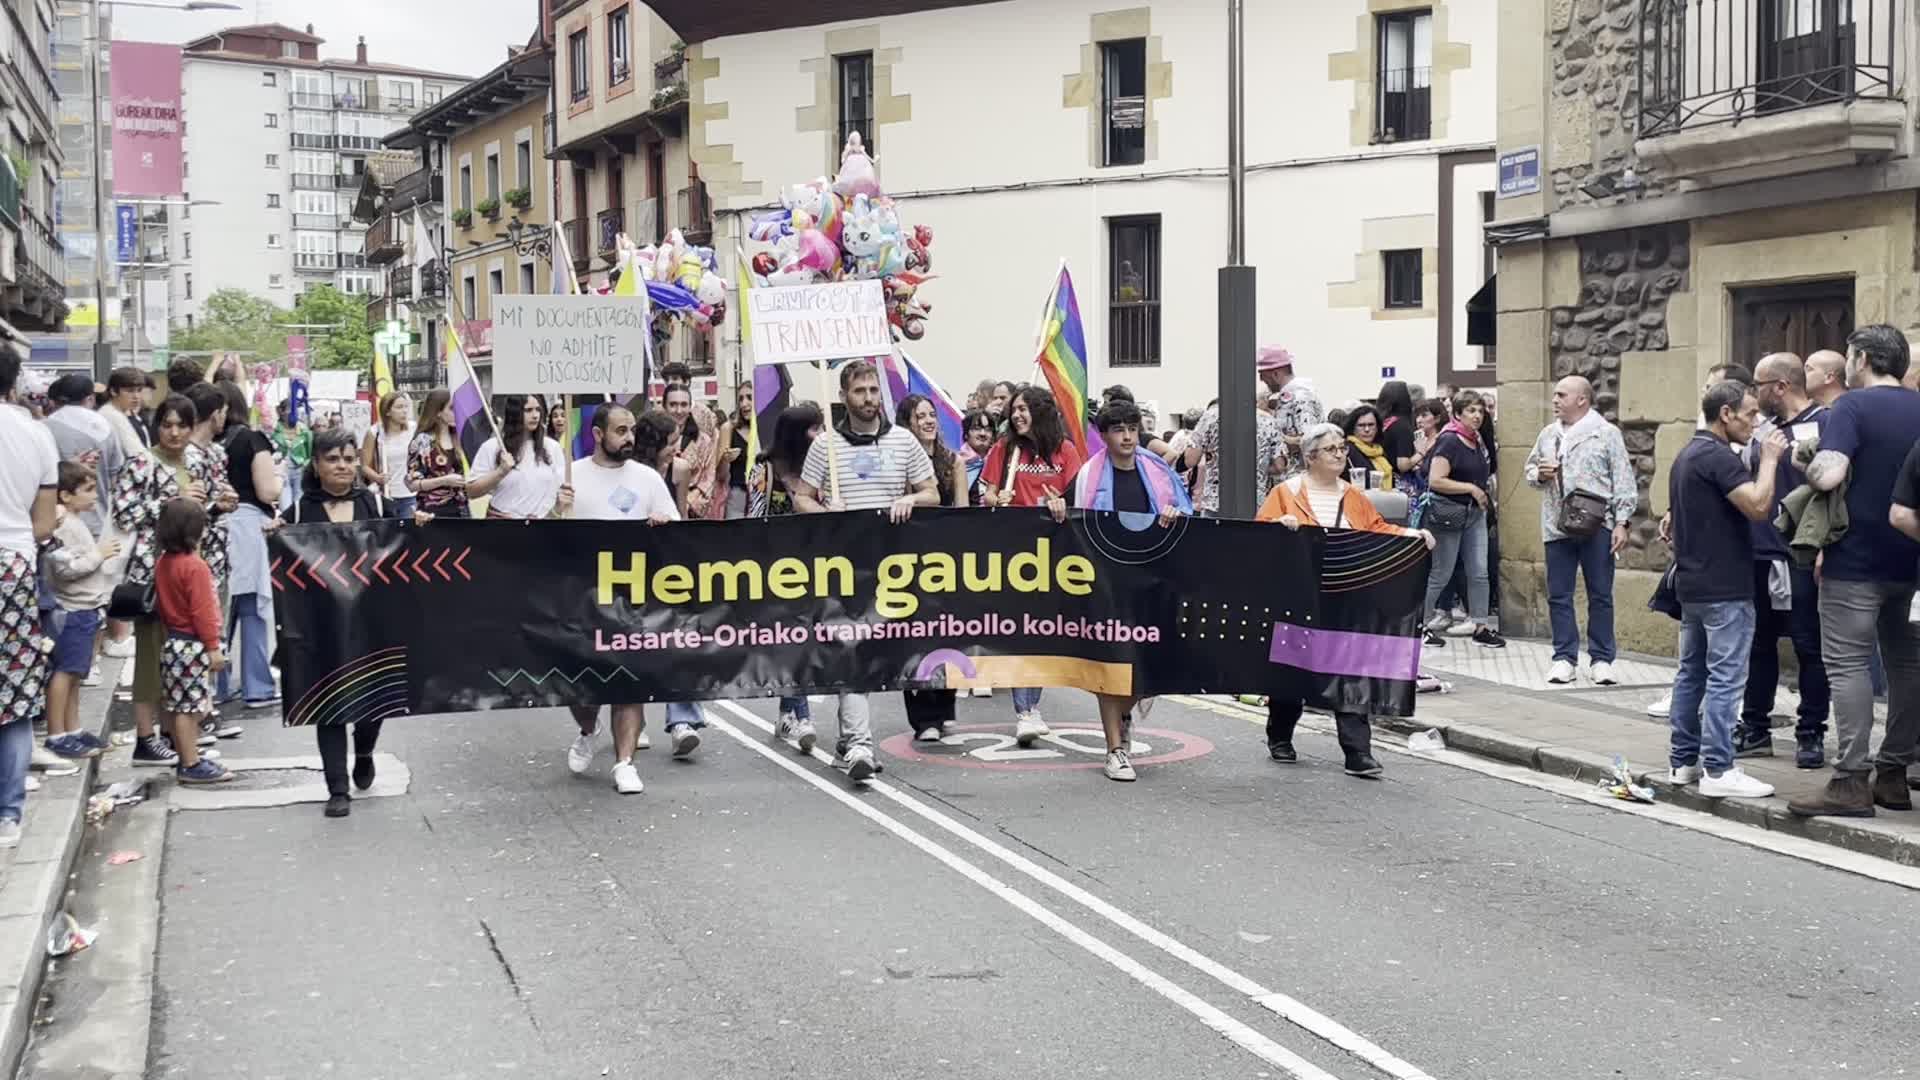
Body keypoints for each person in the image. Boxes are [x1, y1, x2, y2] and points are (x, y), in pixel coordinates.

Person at [1257, 423, 1435, 778]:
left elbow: (1377, 528)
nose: (1340, 454)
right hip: (1299, 594)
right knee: (1291, 670)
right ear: (1310, 457)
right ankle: (1280, 735)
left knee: (1350, 670)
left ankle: (1358, 752)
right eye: (1331, 449)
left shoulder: (1353, 495)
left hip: (1347, 592)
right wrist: (1280, 525)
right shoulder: (1285, 492)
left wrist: (1412, 534)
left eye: (1342, 448)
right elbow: (1260, 533)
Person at [1792, 325, 1920, 817]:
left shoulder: (1852, 406)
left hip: (1855, 560)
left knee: (1848, 665)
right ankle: (1893, 775)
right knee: (1907, 665)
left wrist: (1805, 460)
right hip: (1910, 559)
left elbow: (1828, 474)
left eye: (1849, 355)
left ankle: (1849, 781)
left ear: (1862, 359)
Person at [792, 360, 938, 784]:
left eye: (874, 390)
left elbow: (932, 492)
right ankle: (859, 744)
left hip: (891, 567)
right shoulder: (825, 446)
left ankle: (846, 742)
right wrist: (825, 511)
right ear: (844, 397)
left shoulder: (903, 440)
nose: (869, 398)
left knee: (876, 654)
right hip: (843, 565)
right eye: (860, 391)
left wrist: (911, 500)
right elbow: (802, 497)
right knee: (851, 648)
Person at [286, 428, 434, 815]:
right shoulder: (298, 513)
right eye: (333, 459)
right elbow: (282, 556)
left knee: (373, 702)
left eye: (349, 459)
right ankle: (337, 789)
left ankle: (364, 750)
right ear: (316, 465)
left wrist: (417, 523)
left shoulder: (377, 505)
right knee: (328, 705)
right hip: (322, 626)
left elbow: (407, 542)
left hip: (372, 622)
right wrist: (273, 533)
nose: (342, 466)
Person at [1661, 380, 1784, 799]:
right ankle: (1718, 768)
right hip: (1725, 588)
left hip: (1694, 585)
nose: (1755, 422)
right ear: (1726, 414)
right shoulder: (1718, 457)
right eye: (1749, 414)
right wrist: (1770, 459)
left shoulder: (1687, 454)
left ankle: (1683, 762)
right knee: (1726, 678)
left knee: (1691, 674)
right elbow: (1758, 505)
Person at [1069, 400, 1193, 781]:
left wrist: (1175, 515)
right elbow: (1069, 521)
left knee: (1147, 666)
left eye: (1132, 429)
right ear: (1104, 435)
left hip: (1153, 582)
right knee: (1110, 663)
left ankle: (1124, 712)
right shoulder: (1088, 476)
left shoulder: (1157, 470)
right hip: (1106, 583)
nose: (1127, 436)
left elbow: (1188, 514)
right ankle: (1115, 750)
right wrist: (1055, 506)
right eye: (1118, 429)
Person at [566, 406, 681, 794]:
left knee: (628, 683)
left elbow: (677, 533)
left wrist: (663, 527)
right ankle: (588, 729)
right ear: (598, 434)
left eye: (631, 430)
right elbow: (540, 534)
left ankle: (625, 762)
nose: (629, 437)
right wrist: (557, 509)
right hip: (582, 599)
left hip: (633, 599)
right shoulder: (571, 476)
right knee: (579, 689)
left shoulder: (647, 478)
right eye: (620, 431)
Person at [114, 394, 224, 768]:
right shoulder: (141, 463)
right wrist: (170, 499)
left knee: (179, 660)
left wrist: (216, 506)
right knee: (150, 658)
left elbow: (193, 515)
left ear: (193, 428)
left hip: (189, 568)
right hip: (152, 574)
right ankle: (145, 737)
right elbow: (125, 513)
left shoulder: (195, 461)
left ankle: (174, 737)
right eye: (167, 424)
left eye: (182, 425)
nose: (174, 432)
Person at [1734, 353, 1831, 768]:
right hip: (1759, 551)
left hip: (1800, 554)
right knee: (1758, 644)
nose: (1752, 393)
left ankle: (1811, 733)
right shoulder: (1763, 430)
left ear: (1780, 386)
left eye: (1757, 385)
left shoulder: (1825, 423)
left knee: (1809, 645)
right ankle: (1755, 729)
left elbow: (1833, 491)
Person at [981, 385, 1085, 746]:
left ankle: (1033, 705)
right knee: (1019, 630)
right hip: (1014, 552)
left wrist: (1062, 506)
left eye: (1024, 409)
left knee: (1042, 631)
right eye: (1014, 409)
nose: (1017, 415)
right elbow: (986, 493)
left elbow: (1078, 497)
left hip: (1052, 555)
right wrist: (996, 498)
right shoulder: (1005, 448)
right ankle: (1023, 711)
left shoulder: (1065, 451)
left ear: (1040, 412)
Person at [1523, 376, 1639, 686]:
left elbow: (1623, 479)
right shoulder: (1548, 434)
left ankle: (1602, 659)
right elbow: (1530, 470)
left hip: (1597, 525)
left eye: (1562, 395)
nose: (1555, 400)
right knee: (1559, 595)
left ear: (1582, 400)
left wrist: (1622, 522)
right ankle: (1564, 658)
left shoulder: (1606, 433)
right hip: (1556, 525)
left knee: (1600, 594)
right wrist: (1539, 474)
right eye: (1555, 395)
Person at [0, 351, 57, 846]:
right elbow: (43, 523)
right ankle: (8, 813)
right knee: (14, 690)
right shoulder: (35, 433)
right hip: (14, 565)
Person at [746, 403, 828, 736]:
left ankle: (787, 712)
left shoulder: (821, 467)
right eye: (815, 428)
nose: (821, 435)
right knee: (793, 639)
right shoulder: (764, 469)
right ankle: (803, 718)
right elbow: (754, 517)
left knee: (802, 640)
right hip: (775, 568)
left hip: (814, 564)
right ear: (796, 434)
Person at [897, 393, 968, 742]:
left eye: (931, 415)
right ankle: (924, 717)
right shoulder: (900, 461)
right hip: (910, 558)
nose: (927, 421)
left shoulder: (954, 462)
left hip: (947, 557)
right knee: (915, 636)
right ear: (907, 423)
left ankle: (945, 705)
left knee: (947, 631)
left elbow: (963, 512)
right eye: (919, 416)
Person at [151, 498, 233, 785]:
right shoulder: (195, 566)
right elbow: (203, 610)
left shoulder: (164, 562)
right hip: (192, 643)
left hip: (174, 640)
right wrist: (213, 646)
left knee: (179, 705)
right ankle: (190, 762)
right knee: (191, 708)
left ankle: (188, 755)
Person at [213, 380, 282, 711]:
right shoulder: (252, 440)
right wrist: (279, 478)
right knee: (252, 609)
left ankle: (217, 686)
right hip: (247, 526)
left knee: (217, 609)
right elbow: (268, 491)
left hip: (212, 526)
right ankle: (257, 686)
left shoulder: (204, 445)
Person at [41, 463, 117, 759]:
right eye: (88, 490)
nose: (95, 496)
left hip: (86, 608)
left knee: (75, 673)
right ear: (66, 495)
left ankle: (72, 728)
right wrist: (99, 554)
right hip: (72, 609)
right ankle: (56, 733)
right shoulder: (63, 525)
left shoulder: (74, 521)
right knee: (65, 672)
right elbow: (66, 569)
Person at [1421, 389, 1504, 649]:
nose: (1477, 415)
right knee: (1441, 573)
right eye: (1471, 411)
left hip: (1474, 513)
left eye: (1480, 411)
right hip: (1448, 513)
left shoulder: (1476, 439)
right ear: (1457, 414)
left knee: (1479, 572)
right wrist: (1471, 488)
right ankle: (1418, 623)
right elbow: (1436, 480)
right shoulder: (1450, 440)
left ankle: (1480, 626)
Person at [1188, 350, 1288, 513]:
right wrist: (1258, 467)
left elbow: (1191, 459)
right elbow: (1279, 466)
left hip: (1216, 502)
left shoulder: (1210, 416)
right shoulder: (1268, 421)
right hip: (1255, 502)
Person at [42, 373, 121, 537]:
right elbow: (116, 476)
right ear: (90, 398)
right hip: (98, 519)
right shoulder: (106, 426)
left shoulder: (44, 427)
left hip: (56, 521)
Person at [471, 395, 568, 519]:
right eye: (528, 410)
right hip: (501, 525)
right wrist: (500, 472)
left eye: (538, 410)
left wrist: (550, 514)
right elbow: (471, 491)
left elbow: (560, 489)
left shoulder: (552, 447)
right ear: (514, 413)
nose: (535, 415)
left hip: (541, 525)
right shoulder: (492, 446)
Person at [408, 388, 478, 519]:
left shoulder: (459, 438)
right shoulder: (423, 441)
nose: (457, 412)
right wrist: (444, 480)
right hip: (432, 512)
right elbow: (412, 484)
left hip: (461, 510)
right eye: (451, 408)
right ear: (438, 412)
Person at [663, 385, 719, 519]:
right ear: (664, 406)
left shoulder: (703, 440)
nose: (679, 410)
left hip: (692, 508)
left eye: (684, 405)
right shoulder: (654, 438)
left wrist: (689, 500)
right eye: (673, 405)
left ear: (690, 407)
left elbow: (709, 475)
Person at [361, 391, 417, 518]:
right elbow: (364, 466)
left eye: (406, 406)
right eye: (399, 407)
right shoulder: (374, 432)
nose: (404, 411)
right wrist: (377, 477)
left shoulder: (414, 429)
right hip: (385, 495)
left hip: (410, 494)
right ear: (387, 411)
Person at [717, 380, 753, 518]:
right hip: (737, 497)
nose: (744, 403)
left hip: (763, 496)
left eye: (750, 397)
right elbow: (720, 476)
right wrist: (726, 460)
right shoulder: (729, 429)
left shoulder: (767, 429)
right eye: (741, 399)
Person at [99, 366, 151, 461]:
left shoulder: (126, 412)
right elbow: (136, 453)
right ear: (113, 391)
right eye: (130, 391)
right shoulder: (111, 415)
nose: (136, 396)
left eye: (139, 390)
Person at [1340, 405, 1393, 490]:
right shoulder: (1347, 450)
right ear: (1353, 428)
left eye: (1371, 425)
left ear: (1377, 428)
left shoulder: (1378, 450)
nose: (1367, 429)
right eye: (1361, 425)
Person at [272, 400, 310, 509]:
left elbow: (309, 450)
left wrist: (305, 464)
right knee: (285, 507)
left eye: (295, 412)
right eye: (290, 411)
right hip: (282, 472)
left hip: (299, 471)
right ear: (282, 412)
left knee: (299, 505)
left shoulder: (303, 429)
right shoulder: (274, 429)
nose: (294, 415)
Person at [960, 409, 995, 504]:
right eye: (976, 428)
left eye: (988, 430)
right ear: (966, 434)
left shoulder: (999, 461)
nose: (983, 433)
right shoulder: (955, 462)